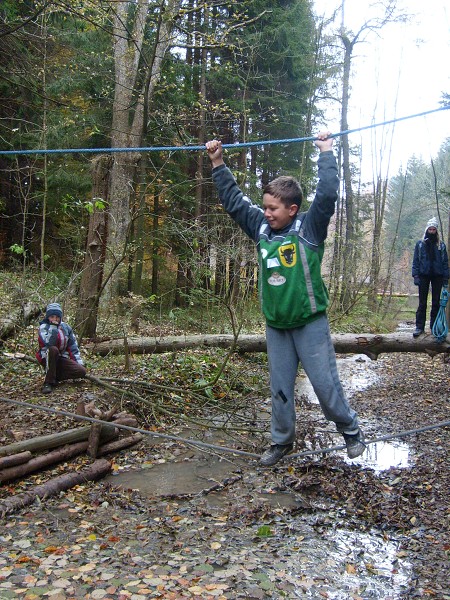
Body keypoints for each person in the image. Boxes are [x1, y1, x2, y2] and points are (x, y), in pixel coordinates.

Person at [206, 132, 366, 467]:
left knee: (324, 385)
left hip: (310, 324)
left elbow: (326, 195)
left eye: (272, 208)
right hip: (277, 327)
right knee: (279, 389)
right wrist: (218, 162)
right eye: (264, 207)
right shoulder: (261, 227)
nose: (265, 213)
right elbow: (235, 201)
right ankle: (281, 442)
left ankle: (350, 429)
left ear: (292, 210)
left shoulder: (309, 228)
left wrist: (326, 151)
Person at [36, 302, 86, 394]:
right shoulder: (44, 327)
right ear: (48, 317)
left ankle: (55, 377)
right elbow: (49, 343)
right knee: (53, 349)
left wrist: (78, 362)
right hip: (47, 357)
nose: (55, 319)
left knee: (81, 371)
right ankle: (48, 382)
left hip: (61, 358)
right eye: (52, 317)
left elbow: (73, 347)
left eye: (57, 317)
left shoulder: (66, 327)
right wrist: (53, 327)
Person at [411, 217, 449, 338]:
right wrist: (415, 275)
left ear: (436, 231)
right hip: (423, 275)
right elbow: (415, 260)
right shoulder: (420, 244)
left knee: (436, 302)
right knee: (422, 303)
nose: (432, 231)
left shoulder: (441, 245)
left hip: (437, 276)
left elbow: (445, 262)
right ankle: (419, 327)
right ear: (427, 229)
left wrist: (446, 278)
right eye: (430, 229)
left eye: (434, 229)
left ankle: (434, 327)